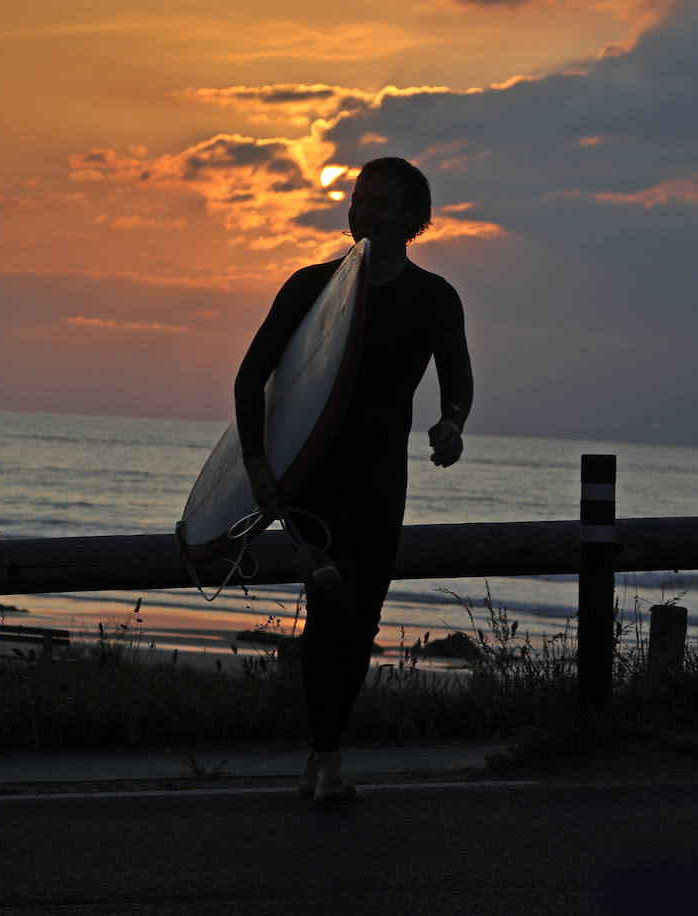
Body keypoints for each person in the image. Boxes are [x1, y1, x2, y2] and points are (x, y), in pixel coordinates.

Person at [233, 157, 474, 805]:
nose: (364, 213)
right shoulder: (311, 286)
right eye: (358, 200)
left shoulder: (432, 298)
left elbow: (458, 380)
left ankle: (326, 752)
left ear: (415, 219)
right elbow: (250, 377)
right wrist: (258, 465)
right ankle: (326, 757)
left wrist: (452, 425)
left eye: (381, 205)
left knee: (361, 620)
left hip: (382, 479)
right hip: (315, 477)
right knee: (331, 606)